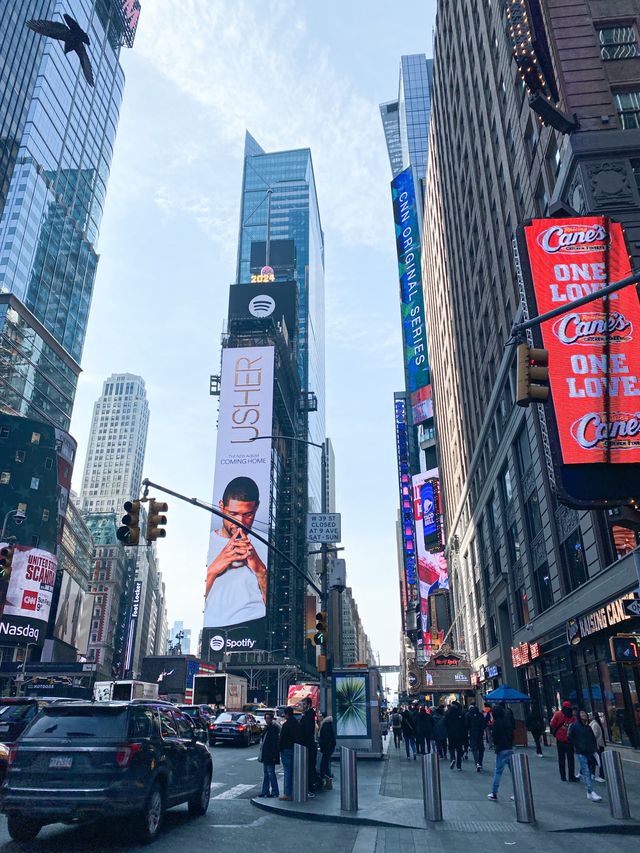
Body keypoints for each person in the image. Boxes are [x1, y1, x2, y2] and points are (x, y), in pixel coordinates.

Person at [204, 477, 267, 627]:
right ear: (221, 506)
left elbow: (278, 610)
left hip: (256, 626)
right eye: (233, 514)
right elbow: (190, 603)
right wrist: (213, 570)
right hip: (214, 630)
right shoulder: (206, 543)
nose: (240, 522)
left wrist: (261, 571)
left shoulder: (268, 543)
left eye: (248, 515)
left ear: (256, 508)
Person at [568, 710, 603, 802]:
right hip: (581, 752)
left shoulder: (588, 727)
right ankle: (591, 791)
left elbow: (592, 739)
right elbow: (570, 737)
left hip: (589, 751)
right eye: (582, 714)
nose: (584, 715)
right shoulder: (575, 726)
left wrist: (594, 750)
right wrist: (578, 745)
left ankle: (589, 792)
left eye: (585, 714)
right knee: (586, 772)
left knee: (589, 771)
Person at [487, 704, 514, 801]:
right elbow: (511, 733)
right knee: (514, 772)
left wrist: (496, 745)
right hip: (510, 748)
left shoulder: (496, 723)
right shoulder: (506, 721)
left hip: (501, 749)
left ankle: (494, 793)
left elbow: (495, 737)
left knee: (498, 771)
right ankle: (518, 791)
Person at [550, 701, 578, 782]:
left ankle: (563, 776)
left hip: (560, 740)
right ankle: (571, 776)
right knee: (571, 759)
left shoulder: (558, 714)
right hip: (569, 740)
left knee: (561, 758)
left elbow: (552, 724)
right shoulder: (572, 716)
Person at [278, 706, 301, 801]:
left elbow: (282, 738)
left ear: (286, 714)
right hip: (295, 749)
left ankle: (288, 793)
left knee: (287, 771)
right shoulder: (297, 724)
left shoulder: (286, 725)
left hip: (286, 749)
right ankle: (294, 791)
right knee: (294, 771)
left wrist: (279, 748)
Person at [257, 711, 280, 798]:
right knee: (266, 773)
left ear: (271, 719)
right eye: (266, 718)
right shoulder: (267, 728)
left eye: (268, 718)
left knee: (271, 773)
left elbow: (274, 744)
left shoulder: (273, 729)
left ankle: (274, 792)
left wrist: (274, 756)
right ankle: (265, 791)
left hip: (270, 755)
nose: (267, 720)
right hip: (266, 754)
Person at [300, 697, 318, 796]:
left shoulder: (309, 715)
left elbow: (307, 731)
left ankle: (310, 789)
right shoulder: (308, 714)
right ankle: (310, 788)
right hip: (308, 744)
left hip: (307, 745)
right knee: (310, 768)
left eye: (304, 704)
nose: (302, 706)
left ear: (308, 705)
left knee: (309, 768)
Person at [445, 701, 466, 770]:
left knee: (451, 748)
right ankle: (459, 765)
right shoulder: (460, 713)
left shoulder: (448, 713)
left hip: (450, 734)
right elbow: (464, 725)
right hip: (459, 734)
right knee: (459, 749)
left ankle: (453, 758)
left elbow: (445, 723)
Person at [318, 712, 336, 789]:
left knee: (324, 765)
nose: (319, 717)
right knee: (325, 764)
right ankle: (327, 781)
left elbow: (325, 738)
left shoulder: (325, 725)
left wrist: (321, 745)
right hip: (328, 748)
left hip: (326, 748)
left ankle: (327, 781)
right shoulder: (327, 724)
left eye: (320, 716)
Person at [466, 704, 486, 771]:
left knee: (474, 748)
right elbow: (484, 724)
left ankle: (477, 762)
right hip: (480, 733)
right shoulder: (480, 714)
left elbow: (467, 725)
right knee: (481, 749)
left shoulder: (468, 715)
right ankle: (480, 762)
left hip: (472, 733)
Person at [588, 711, 606, 782]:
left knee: (599, 760)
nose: (589, 716)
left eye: (590, 715)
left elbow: (594, 735)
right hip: (596, 745)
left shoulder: (594, 724)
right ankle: (594, 774)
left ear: (594, 716)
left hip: (597, 745)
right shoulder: (592, 724)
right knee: (595, 760)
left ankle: (602, 776)